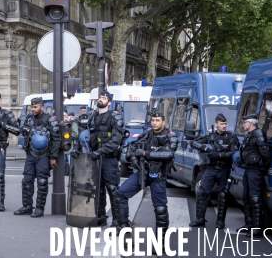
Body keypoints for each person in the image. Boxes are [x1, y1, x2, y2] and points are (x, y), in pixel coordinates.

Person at [117, 112, 177, 249]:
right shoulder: (147, 134)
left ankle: (160, 242)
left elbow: (168, 154)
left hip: (158, 175)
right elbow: (132, 148)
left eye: (158, 120)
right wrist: (134, 160)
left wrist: (145, 154)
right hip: (143, 172)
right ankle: (124, 229)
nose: (154, 123)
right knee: (120, 194)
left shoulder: (170, 136)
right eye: (153, 120)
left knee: (160, 208)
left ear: (163, 122)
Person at [72, 90, 125, 226]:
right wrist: (77, 148)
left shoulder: (115, 117)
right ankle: (100, 217)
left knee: (112, 189)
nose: (101, 99)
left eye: (104, 98)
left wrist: (101, 151)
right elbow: (85, 133)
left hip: (108, 159)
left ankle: (117, 220)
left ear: (109, 102)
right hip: (94, 158)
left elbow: (115, 140)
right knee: (98, 189)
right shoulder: (93, 116)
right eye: (100, 97)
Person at [189, 113, 240, 229]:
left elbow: (234, 153)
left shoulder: (231, 137)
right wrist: (205, 148)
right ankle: (200, 219)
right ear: (216, 124)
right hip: (211, 169)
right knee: (202, 192)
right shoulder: (210, 136)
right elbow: (193, 143)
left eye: (225, 123)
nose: (224, 126)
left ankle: (220, 222)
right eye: (221, 124)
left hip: (224, 170)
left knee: (223, 195)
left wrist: (219, 155)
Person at [14, 97, 61, 218]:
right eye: (32, 107)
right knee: (27, 180)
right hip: (31, 153)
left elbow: (56, 140)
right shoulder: (29, 118)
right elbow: (23, 131)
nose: (33, 109)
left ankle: (39, 209)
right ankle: (27, 206)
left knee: (42, 181)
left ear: (42, 107)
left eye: (35, 107)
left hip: (44, 155)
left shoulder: (50, 120)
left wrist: (53, 157)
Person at [238, 114, 271, 237]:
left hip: (255, 171)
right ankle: (248, 224)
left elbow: (265, 153)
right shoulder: (250, 135)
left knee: (255, 198)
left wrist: (261, 167)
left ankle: (256, 228)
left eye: (244, 122)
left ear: (250, 123)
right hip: (248, 169)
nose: (243, 125)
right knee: (246, 197)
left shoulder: (258, 134)